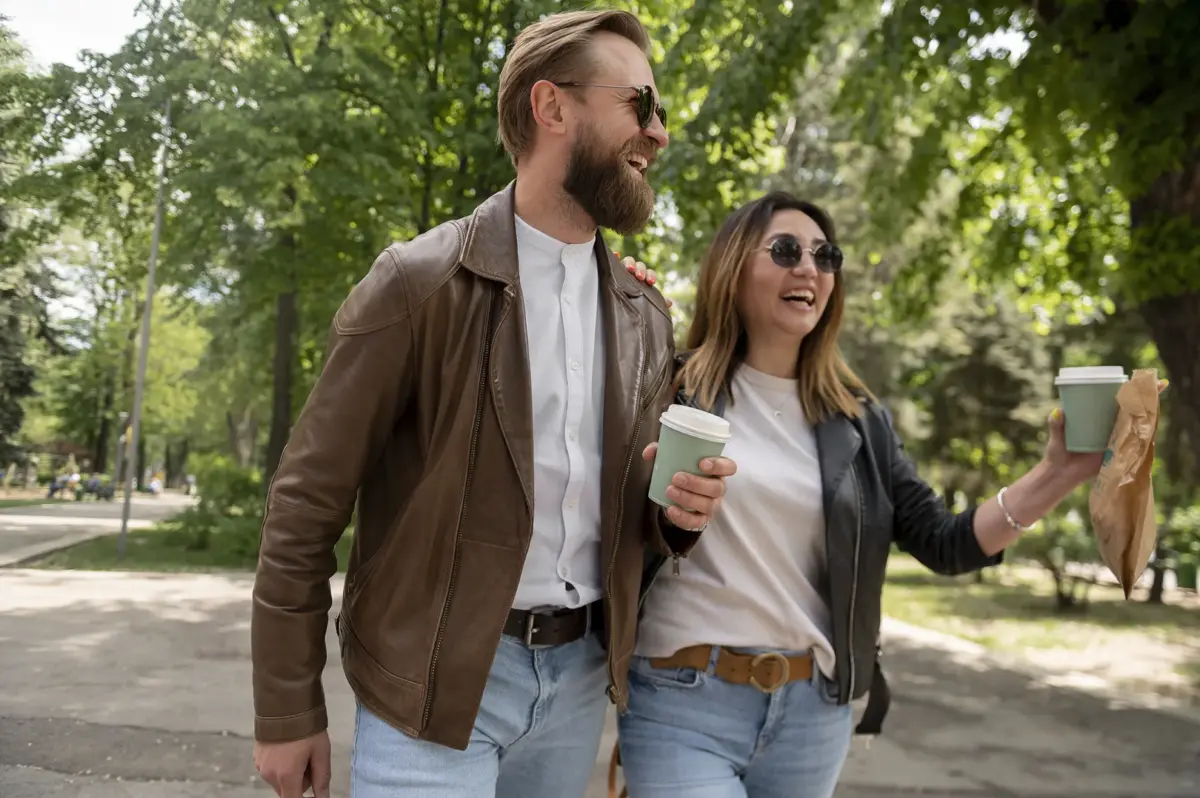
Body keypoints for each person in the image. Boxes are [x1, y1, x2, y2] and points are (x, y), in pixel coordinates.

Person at [250, 9, 736, 798]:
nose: (660, 134)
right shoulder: (416, 285)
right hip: (430, 689)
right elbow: (304, 509)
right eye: (640, 106)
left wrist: (675, 515)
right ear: (553, 108)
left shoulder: (645, 313)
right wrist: (285, 707)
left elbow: (621, 516)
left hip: (578, 685)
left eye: (663, 112)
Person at [616, 191, 1165, 798]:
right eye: (786, 250)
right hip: (681, 701)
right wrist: (626, 302)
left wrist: (1059, 472)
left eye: (826, 256)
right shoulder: (671, 386)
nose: (810, 268)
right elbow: (611, 510)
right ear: (733, 268)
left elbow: (944, 541)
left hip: (812, 715)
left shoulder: (858, 422)